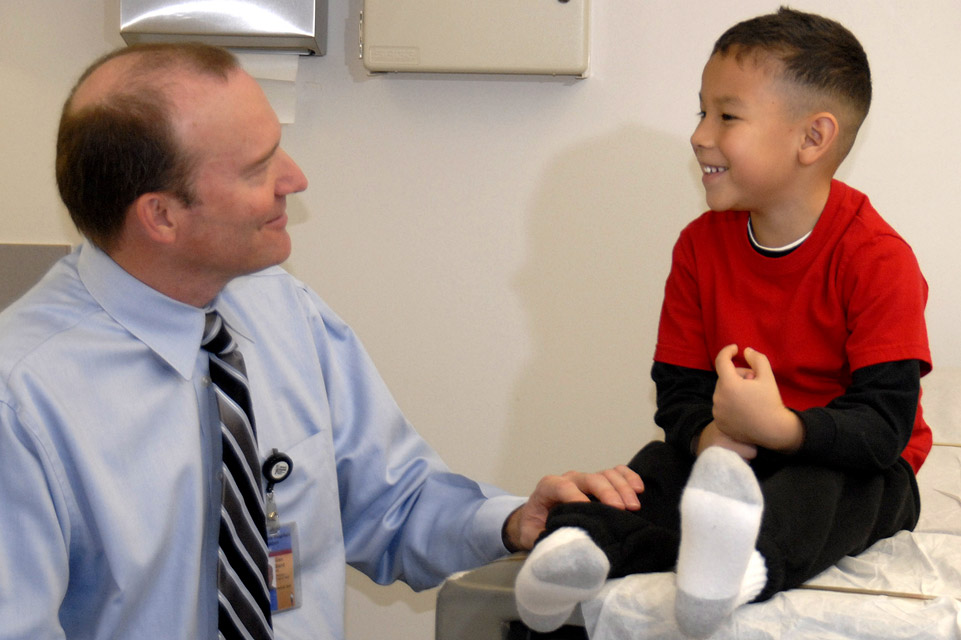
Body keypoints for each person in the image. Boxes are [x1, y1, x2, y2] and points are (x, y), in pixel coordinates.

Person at [0, 43, 645, 640]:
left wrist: (511, 522)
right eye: (259, 168)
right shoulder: (22, 401)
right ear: (161, 215)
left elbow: (393, 503)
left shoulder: (282, 311)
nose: (296, 178)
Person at [514, 7, 930, 638]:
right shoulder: (698, 247)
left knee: (831, 487)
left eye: (726, 116)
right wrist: (708, 438)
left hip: (849, 463)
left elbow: (884, 430)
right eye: (700, 111)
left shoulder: (878, 259)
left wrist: (783, 430)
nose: (699, 134)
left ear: (812, 139)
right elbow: (678, 393)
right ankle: (577, 550)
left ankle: (743, 570)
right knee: (650, 469)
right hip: (731, 454)